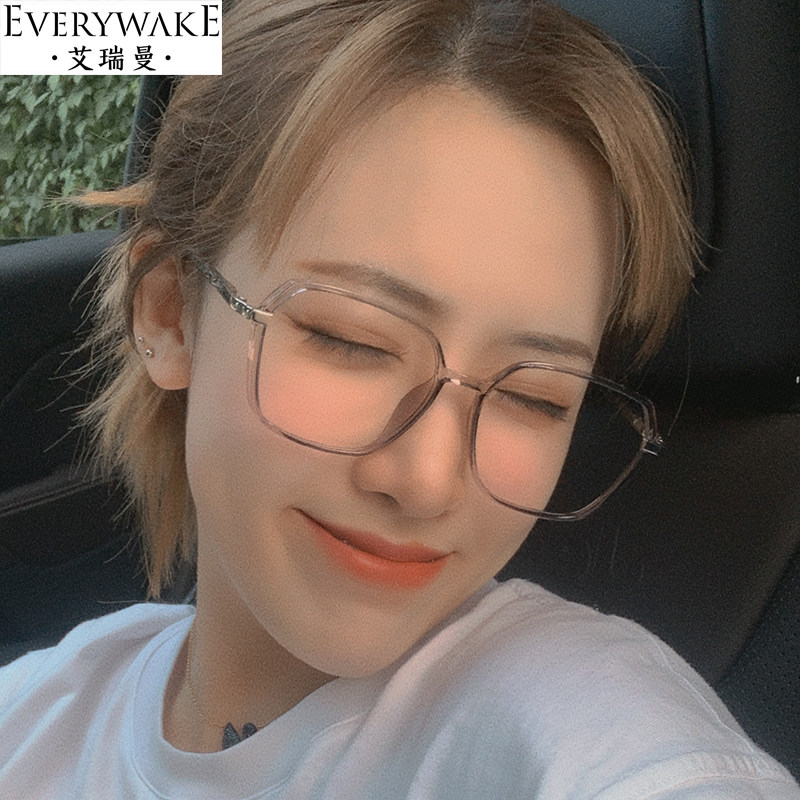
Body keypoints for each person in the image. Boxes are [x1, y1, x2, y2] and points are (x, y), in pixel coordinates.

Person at [0, 0, 797, 796]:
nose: (429, 480)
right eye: (354, 340)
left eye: (537, 397)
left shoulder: (585, 733)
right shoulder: (33, 717)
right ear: (170, 311)